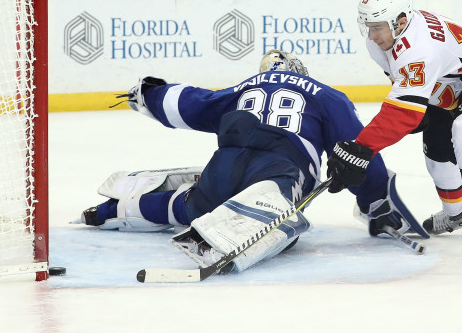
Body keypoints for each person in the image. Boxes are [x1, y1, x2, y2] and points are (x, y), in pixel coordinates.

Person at [78, 50, 425, 273]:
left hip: (226, 160)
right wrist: (376, 204)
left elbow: (192, 103)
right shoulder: (326, 95)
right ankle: (249, 212)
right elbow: (359, 153)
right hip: (279, 168)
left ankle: (108, 211)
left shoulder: (243, 88)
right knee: (283, 227)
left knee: (189, 208)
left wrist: (150, 94)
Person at [327, 0, 462, 261]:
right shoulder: (380, 40)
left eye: (377, 26)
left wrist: (361, 147)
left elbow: (403, 113)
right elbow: (404, 90)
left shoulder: (419, 49)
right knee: (437, 156)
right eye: (369, 25)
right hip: (444, 83)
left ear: (401, 21)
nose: (372, 34)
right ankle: (456, 213)